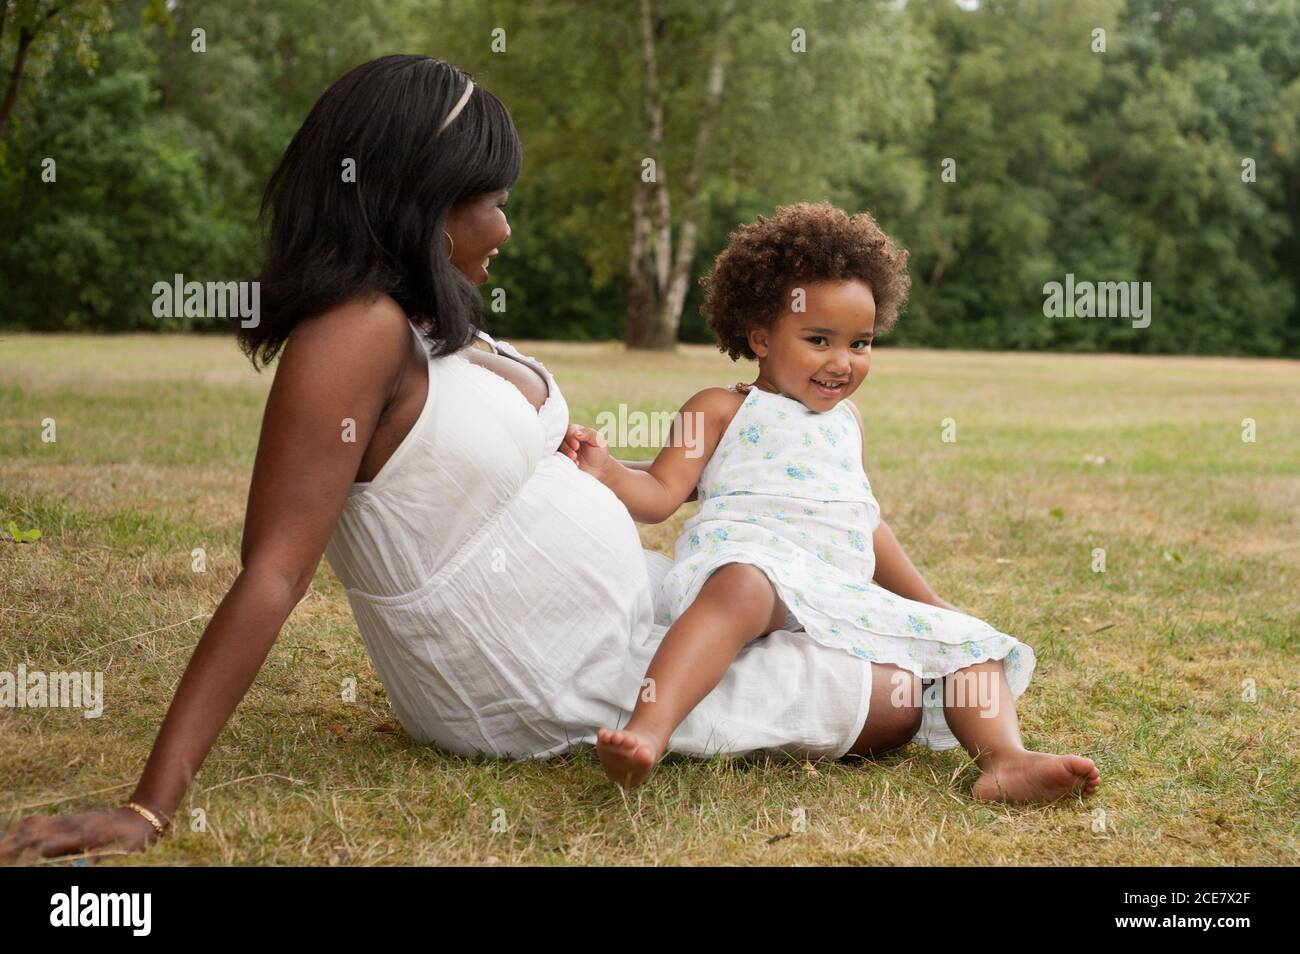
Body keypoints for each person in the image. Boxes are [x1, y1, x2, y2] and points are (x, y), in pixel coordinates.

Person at [0, 56, 1094, 864]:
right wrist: (149, 803)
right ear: (415, 199)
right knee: (900, 694)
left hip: (636, 620)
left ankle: (960, 721)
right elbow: (273, 570)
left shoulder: (427, 321)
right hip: (556, 680)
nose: (505, 229)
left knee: (898, 646)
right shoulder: (354, 334)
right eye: (490, 200)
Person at [565, 202, 1101, 798]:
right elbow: (663, 492)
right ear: (761, 336)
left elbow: (863, 522)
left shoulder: (848, 423)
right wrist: (608, 469)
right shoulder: (719, 408)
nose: (842, 362)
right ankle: (648, 731)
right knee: (741, 586)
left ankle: (1006, 759)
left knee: (969, 646)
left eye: (861, 343)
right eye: (819, 340)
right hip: (752, 567)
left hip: (837, 591)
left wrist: (934, 605)